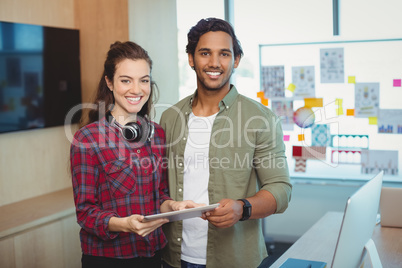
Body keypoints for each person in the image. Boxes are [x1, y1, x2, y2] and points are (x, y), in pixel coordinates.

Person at [159, 18, 292, 268]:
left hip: (234, 259)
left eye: (224, 54)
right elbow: (158, 187)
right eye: (205, 53)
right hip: (173, 257)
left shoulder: (260, 119)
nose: (214, 63)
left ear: (236, 60)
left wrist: (243, 208)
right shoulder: (169, 118)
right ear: (191, 58)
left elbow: (281, 190)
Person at [70, 41, 198, 268]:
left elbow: (158, 196)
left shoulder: (157, 133)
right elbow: (86, 213)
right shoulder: (88, 139)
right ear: (109, 82)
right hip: (108, 259)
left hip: (153, 254)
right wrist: (124, 224)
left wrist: (174, 207)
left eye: (144, 80)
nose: (137, 90)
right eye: (126, 80)